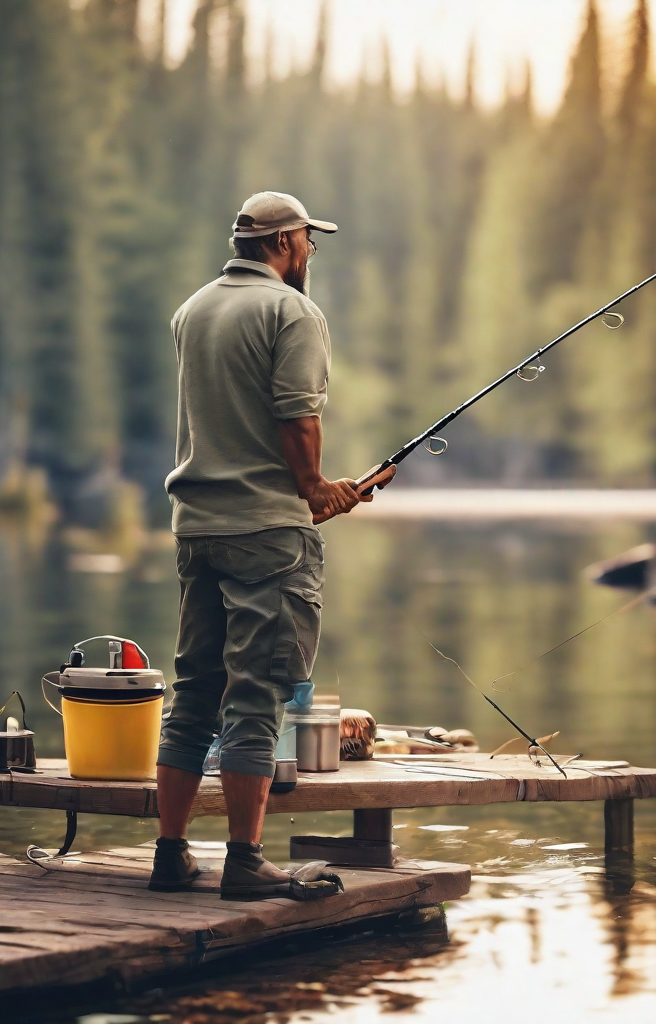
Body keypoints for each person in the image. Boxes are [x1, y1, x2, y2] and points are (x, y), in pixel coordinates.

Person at [149, 191, 395, 899]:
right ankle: (244, 859)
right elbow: (296, 416)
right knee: (255, 695)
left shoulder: (192, 311)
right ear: (284, 242)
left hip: (197, 529)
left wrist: (317, 491)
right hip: (268, 537)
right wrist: (317, 488)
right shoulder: (292, 311)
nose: (311, 253)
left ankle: (171, 855)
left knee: (194, 691)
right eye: (308, 242)